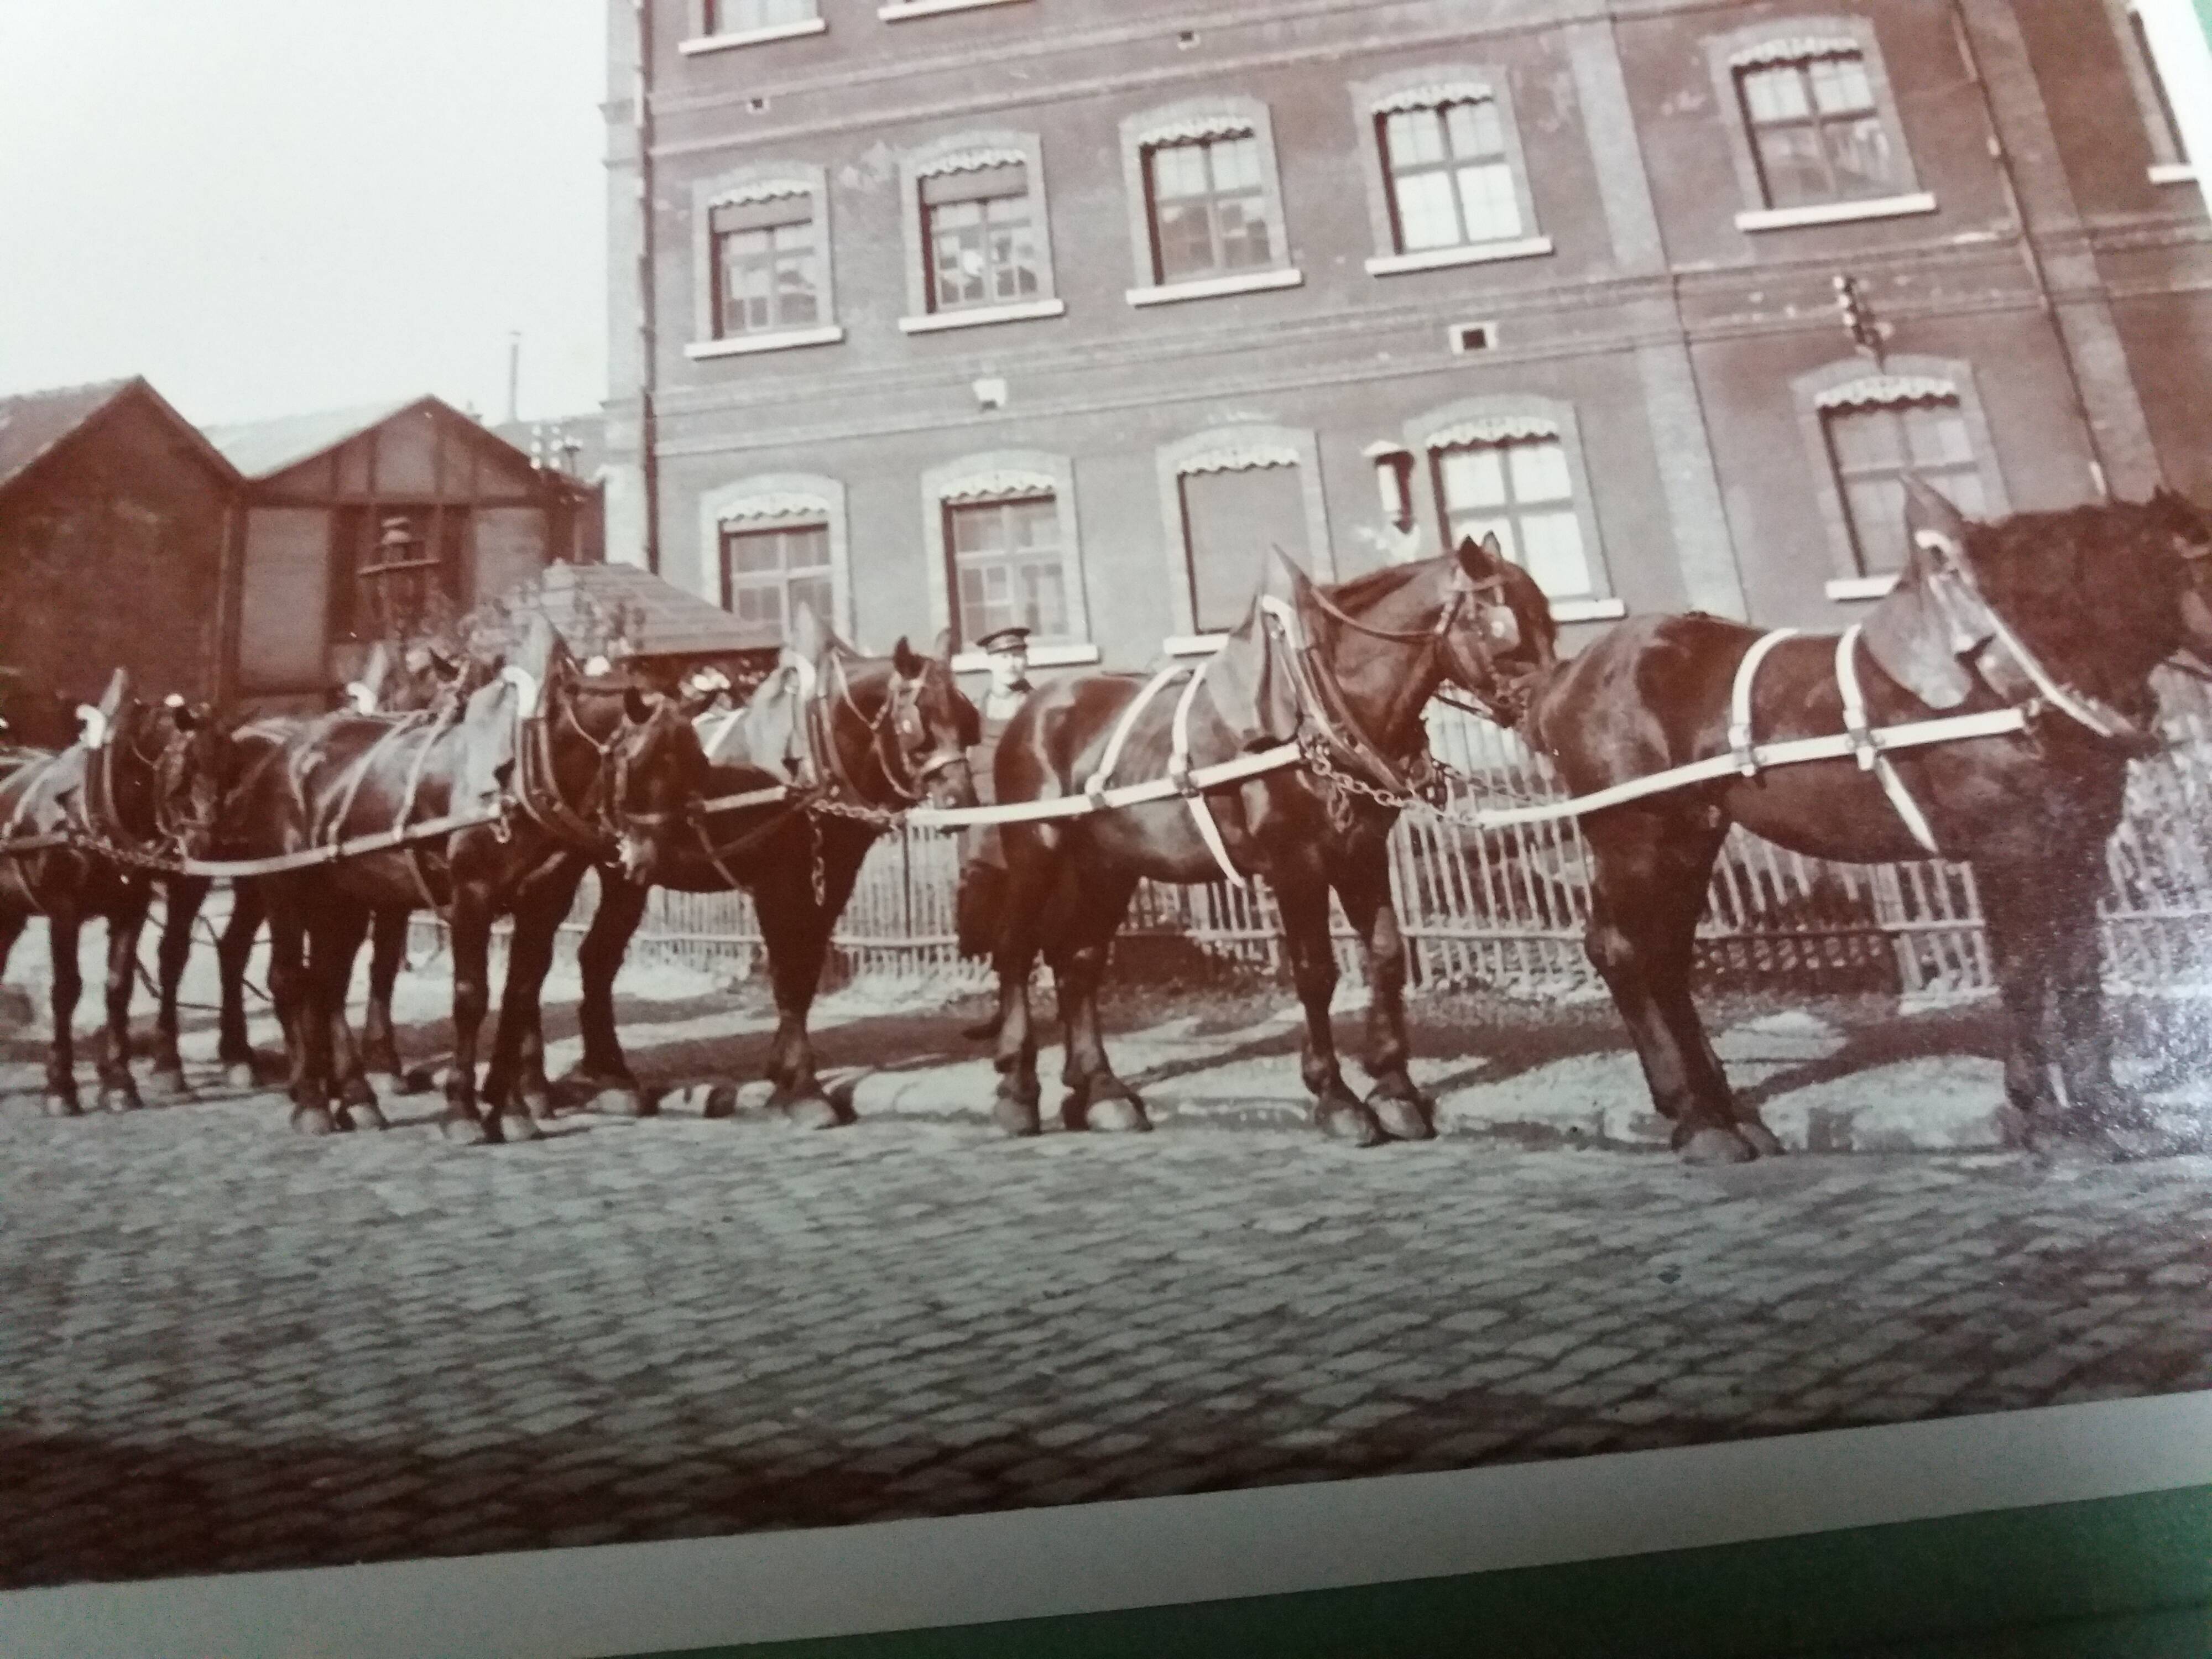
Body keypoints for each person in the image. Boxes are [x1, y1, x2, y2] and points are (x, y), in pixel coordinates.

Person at [954, 624, 1034, 975]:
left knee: (1025, 908)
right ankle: (1007, 1007)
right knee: (988, 909)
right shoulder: (974, 711)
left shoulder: (1036, 705)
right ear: (990, 663)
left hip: (1027, 821)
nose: (1012, 664)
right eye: (1004, 657)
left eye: (1018, 656)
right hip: (982, 825)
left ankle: (1024, 1000)